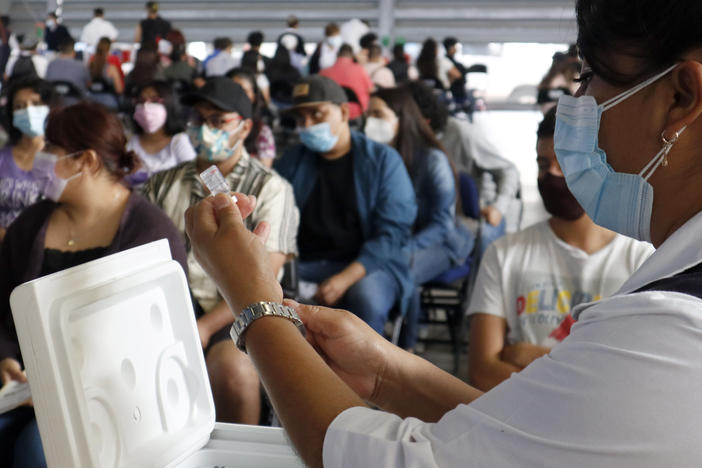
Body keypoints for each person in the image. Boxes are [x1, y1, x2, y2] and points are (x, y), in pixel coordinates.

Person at [183, 0, 702, 466]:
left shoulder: (671, 332)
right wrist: (388, 373)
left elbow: (380, 460)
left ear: (680, 97)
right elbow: (531, 441)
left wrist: (252, 299)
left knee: (371, 288)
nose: (578, 106)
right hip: (330, 264)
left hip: (374, 260)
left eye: (588, 80)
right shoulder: (671, 311)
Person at [0, 101, 187, 468]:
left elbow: (158, 339)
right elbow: (3, 306)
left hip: (116, 394)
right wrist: (6, 358)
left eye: (51, 149)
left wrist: (62, 388)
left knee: (38, 450)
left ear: (85, 160)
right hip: (26, 387)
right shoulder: (32, 224)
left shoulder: (148, 233)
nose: (41, 157)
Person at [142, 77, 299, 424]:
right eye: (198, 120)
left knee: (231, 371)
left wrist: (202, 326)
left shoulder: (271, 189)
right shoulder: (161, 183)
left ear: (244, 128)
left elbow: (266, 273)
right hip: (169, 308)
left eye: (217, 121)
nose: (204, 129)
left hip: (242, 310)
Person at [467, 107, 653, 391]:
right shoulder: (505, 255)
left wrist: (529, 356)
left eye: (564, 164)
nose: (551, 175)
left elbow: (637, 381)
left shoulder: (642, 262)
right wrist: (589, 379)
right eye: (543, 165)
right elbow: (483, 372)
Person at [275, 76, 416, 335]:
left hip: (368, 265)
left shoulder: (383, 161)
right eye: (301, 118)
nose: (307, 125)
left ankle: (361, 374)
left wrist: (345, 278)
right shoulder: (292, 161)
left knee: (365, 299)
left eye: (317, 115)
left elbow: (392, 232)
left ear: (343, 112)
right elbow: (275, 217)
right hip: (304, 263)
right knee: (266, 299)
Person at [366, 86, 473, 348]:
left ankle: (406, 348)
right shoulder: (377, 157)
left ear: (402, 119)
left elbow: (442, 224)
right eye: (369, 114)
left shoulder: (432, 160)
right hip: (400, 240)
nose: (370, 122)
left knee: (401, 269)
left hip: (443, 242)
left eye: (378, 114)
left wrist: (400, 249)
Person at [407, 80, 520, 251]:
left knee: (486, 238)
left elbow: (508, 170)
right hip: (433, 214)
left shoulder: (461, 133)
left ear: (425, 120)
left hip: (476, 212)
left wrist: (499, 207)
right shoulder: (404, 142)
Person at [0, 77, 57, 241]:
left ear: (49, 107)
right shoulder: (2, 158)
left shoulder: (60, 161)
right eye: (19, 106)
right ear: (12, 114)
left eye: (36, 104)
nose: (28, 111)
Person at [126, 80, 195, 186]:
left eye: (154, 100)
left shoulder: (178, 141)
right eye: (141, 100)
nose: (146, 106)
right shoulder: (130, 142)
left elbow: (193, 179)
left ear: (169, 103)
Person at [226, 68, 275, 167]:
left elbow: (263, 174)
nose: (236, 97)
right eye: (231, 90)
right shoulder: (211, 125)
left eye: (243, 91)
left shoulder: (262, 132)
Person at [319, 44, 374, 120]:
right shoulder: (360, 69)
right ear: (352, 55)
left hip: (333, 114)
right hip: (357, 113)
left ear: (337, 55)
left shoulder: (324, 73)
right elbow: (371, 90)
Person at [88, 37, 124, 103]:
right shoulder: (112, 65)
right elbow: (119, 90)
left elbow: (86, 85)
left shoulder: (90, 65)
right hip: (108, 103)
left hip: (91, 101)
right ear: (109, 50)